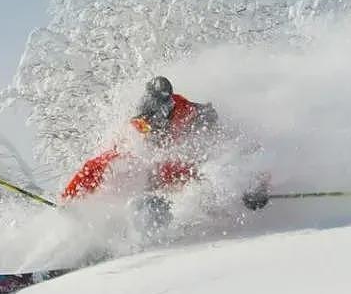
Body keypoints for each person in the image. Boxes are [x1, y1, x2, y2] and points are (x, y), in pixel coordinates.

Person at [61, 76, 269, 217]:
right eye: (151, 118)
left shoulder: (187, 109)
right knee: (114, 167)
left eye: (164, 111)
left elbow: (235, 143)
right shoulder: (136, 126)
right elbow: (97, 164)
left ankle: (219, 205)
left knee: (207, 172)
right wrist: (68, 201)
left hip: (173, 170)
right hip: (146, 175)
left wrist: (254, 184)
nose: (158, 122)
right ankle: (87, 208)